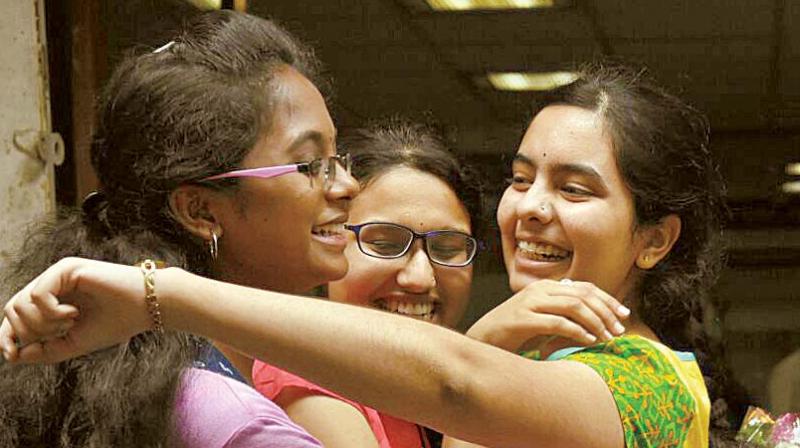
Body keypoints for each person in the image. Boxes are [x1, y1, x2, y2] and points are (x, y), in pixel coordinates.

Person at [2, 64, 731, 447]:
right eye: (519, 179)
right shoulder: (534, 364)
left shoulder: (650, 383)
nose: (532, 207)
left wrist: (154, 297)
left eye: (575, 189)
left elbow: (460, 384)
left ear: (654, 239)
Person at [0, 10, 361, 447]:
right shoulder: (239, 424)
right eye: (312, 165)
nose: (347, 185)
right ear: (200, 211)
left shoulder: (136, 377)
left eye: (339, 158)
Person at [251, 121, 483, 448]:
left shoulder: (415, 391)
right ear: (328, 241)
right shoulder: (303, 373)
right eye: (385, 244)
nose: (420, 278)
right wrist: (476, 366)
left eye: (446, 248)